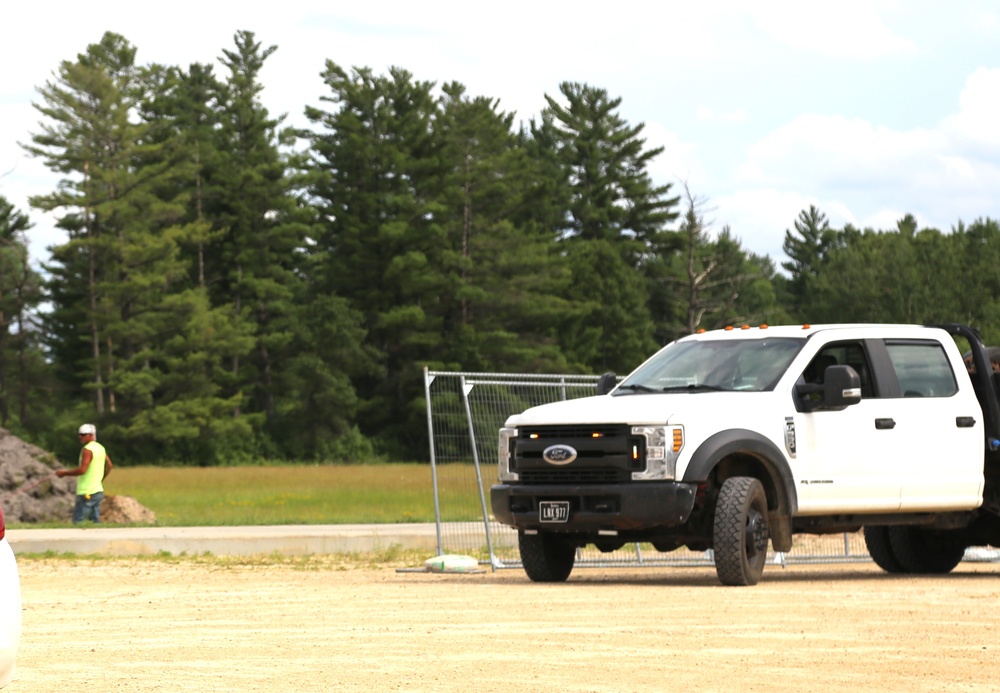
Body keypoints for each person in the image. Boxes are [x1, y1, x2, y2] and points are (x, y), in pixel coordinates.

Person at [56, 424, 114, 524]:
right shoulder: (100, 448)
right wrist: (100, 478)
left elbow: (83, 470)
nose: (80, 437)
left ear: (91, 435)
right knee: (95, 522)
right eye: (80, 435)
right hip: (98, 491)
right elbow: (109, 465)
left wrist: (64, 473)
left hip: (86, 492)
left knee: (78, 522)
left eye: (83, 434)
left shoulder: (87, 450)